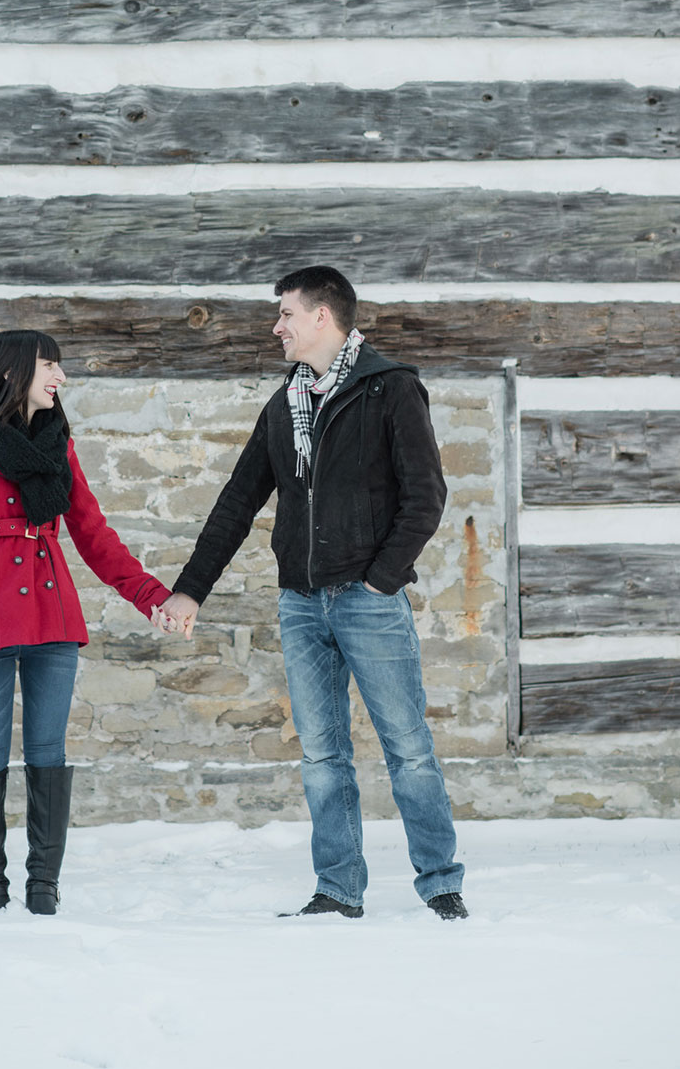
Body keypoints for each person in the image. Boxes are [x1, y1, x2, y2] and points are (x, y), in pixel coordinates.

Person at [161, 266, 467, 921]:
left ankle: (441, 884)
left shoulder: (391, 389)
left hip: (368, 601)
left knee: (407, 748)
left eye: (286, 314)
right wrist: (190, 591)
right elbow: (237, 502)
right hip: (302, 604)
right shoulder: (284, 406)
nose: (278, 326)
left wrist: (380, 579)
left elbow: (426, 498)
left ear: (323, 317)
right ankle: (338, 889)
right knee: (324, 756)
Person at [0, 329, 176, 917]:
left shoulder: (58, 445)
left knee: (48, 751)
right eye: (50, 365)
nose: (61, 377)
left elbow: (94, 535)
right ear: (13, 371)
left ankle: (43, 887)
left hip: (51, 614)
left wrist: (153, 598)